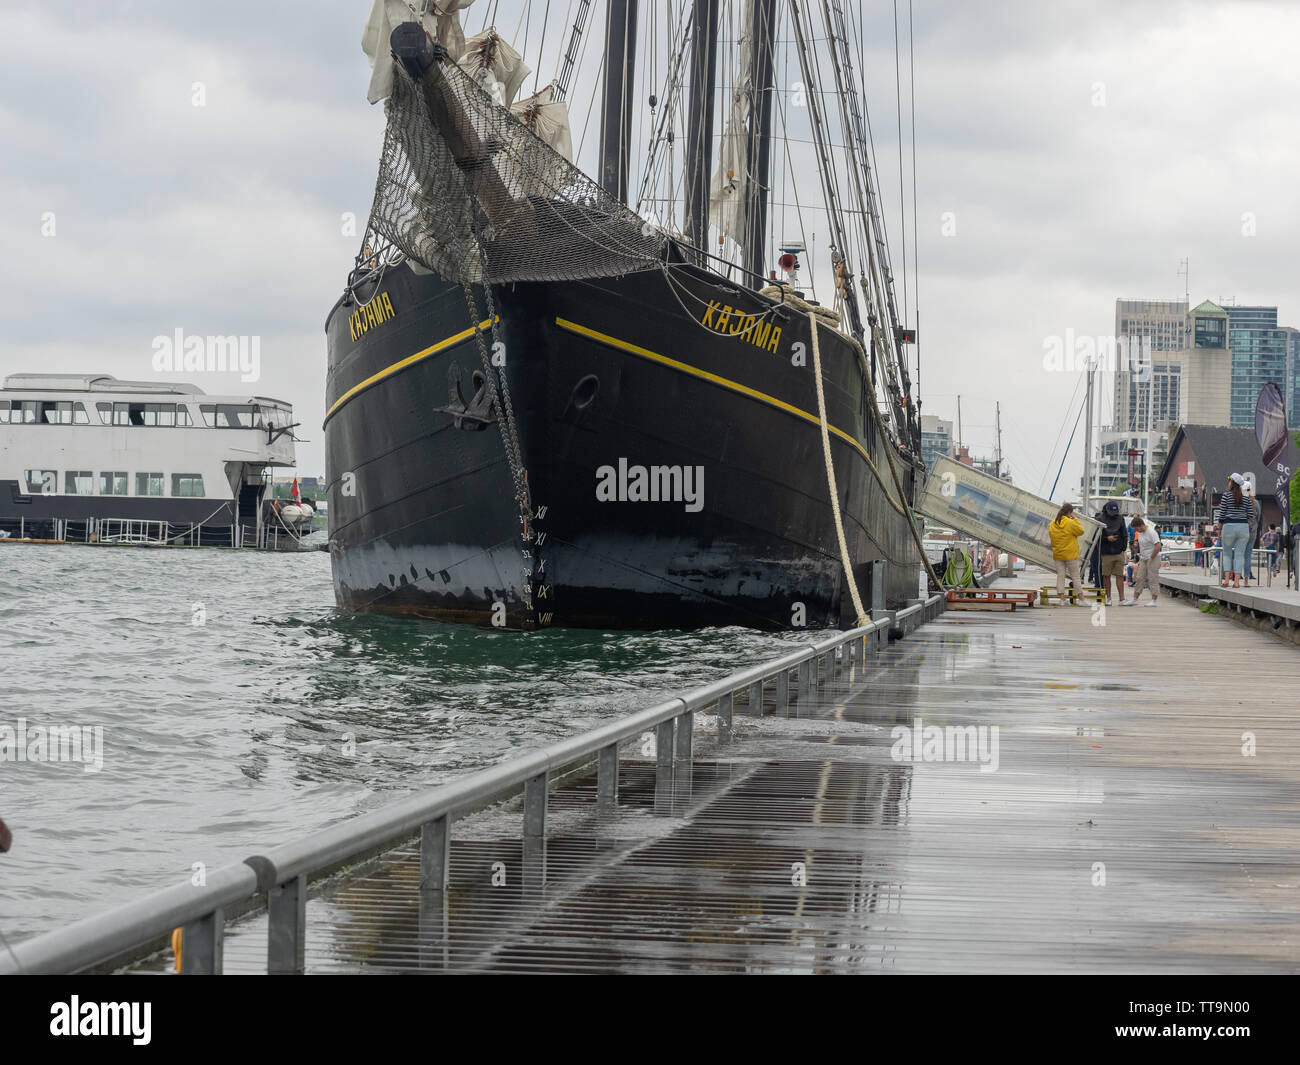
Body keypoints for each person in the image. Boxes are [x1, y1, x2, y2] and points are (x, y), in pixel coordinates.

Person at [1215, 473, 1252, 589]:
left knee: (1226, 553)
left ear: (1232, 483)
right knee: (1239, 555)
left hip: (1228, 526)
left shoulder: (1226, 496)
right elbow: (1250, 515)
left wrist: (1219, 528)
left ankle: (1226, 580)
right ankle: (1236, 582)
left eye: (1229, 480)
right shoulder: (1246, 499)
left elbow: (1222, 514)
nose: (1228, 482)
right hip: (1243, 527)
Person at [1049, 502, 1088, 606]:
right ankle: (1081, 599)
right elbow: (1080, 531)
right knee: (1075, 577)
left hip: (1058, 554)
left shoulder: (1052, 523)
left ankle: (1062, 599)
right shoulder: (1070, 523)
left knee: (1060, 576)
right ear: (1070, 512)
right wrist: (1074, 519)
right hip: (1070, 554)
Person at [1122, 516, 1163, 606]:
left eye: (1137, 529)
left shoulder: (1152, 532)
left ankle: (1154, 600)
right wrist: (1136, 545)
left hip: (1153, 557)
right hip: (1143, 558)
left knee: (1152, 578)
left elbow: (1158, 546)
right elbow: (1142, 543)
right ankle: (1135, 599)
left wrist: (1151, 557)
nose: (1136, 531)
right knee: (1139, 577)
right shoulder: (1139, 532)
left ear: (1141, 525)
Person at [1096, 500, 1128, 605]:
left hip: (1119, 551)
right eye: (1112, 512)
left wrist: (1123, 548)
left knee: (1119, 575)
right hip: (1106, 552)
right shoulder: (1100, 518)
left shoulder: (1120, 518)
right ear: (1107, 509)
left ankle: (1122, 598)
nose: (1114, 514)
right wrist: (1106, 538)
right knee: (1106, 576)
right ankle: (1108, 598)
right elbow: (1096, 536)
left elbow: (1124, 533)